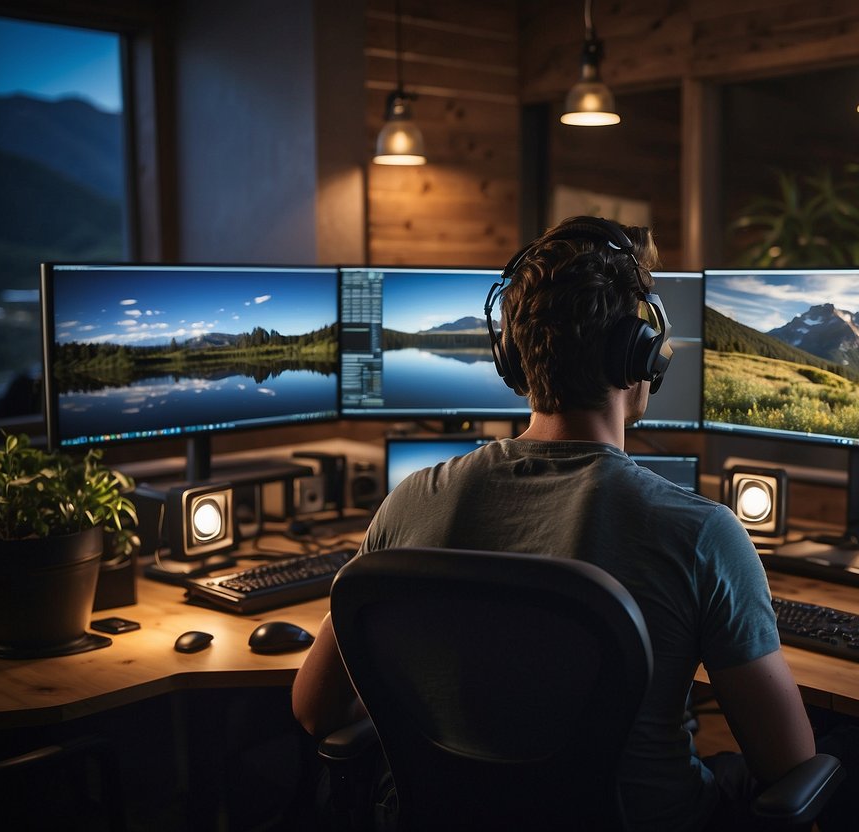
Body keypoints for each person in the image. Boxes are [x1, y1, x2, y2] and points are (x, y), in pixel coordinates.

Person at [292, 216, 816, 831]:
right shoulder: (701, 535)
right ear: (639, 354)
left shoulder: (408, 504)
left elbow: (313, 710)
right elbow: (788, 763)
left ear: (514, 358)